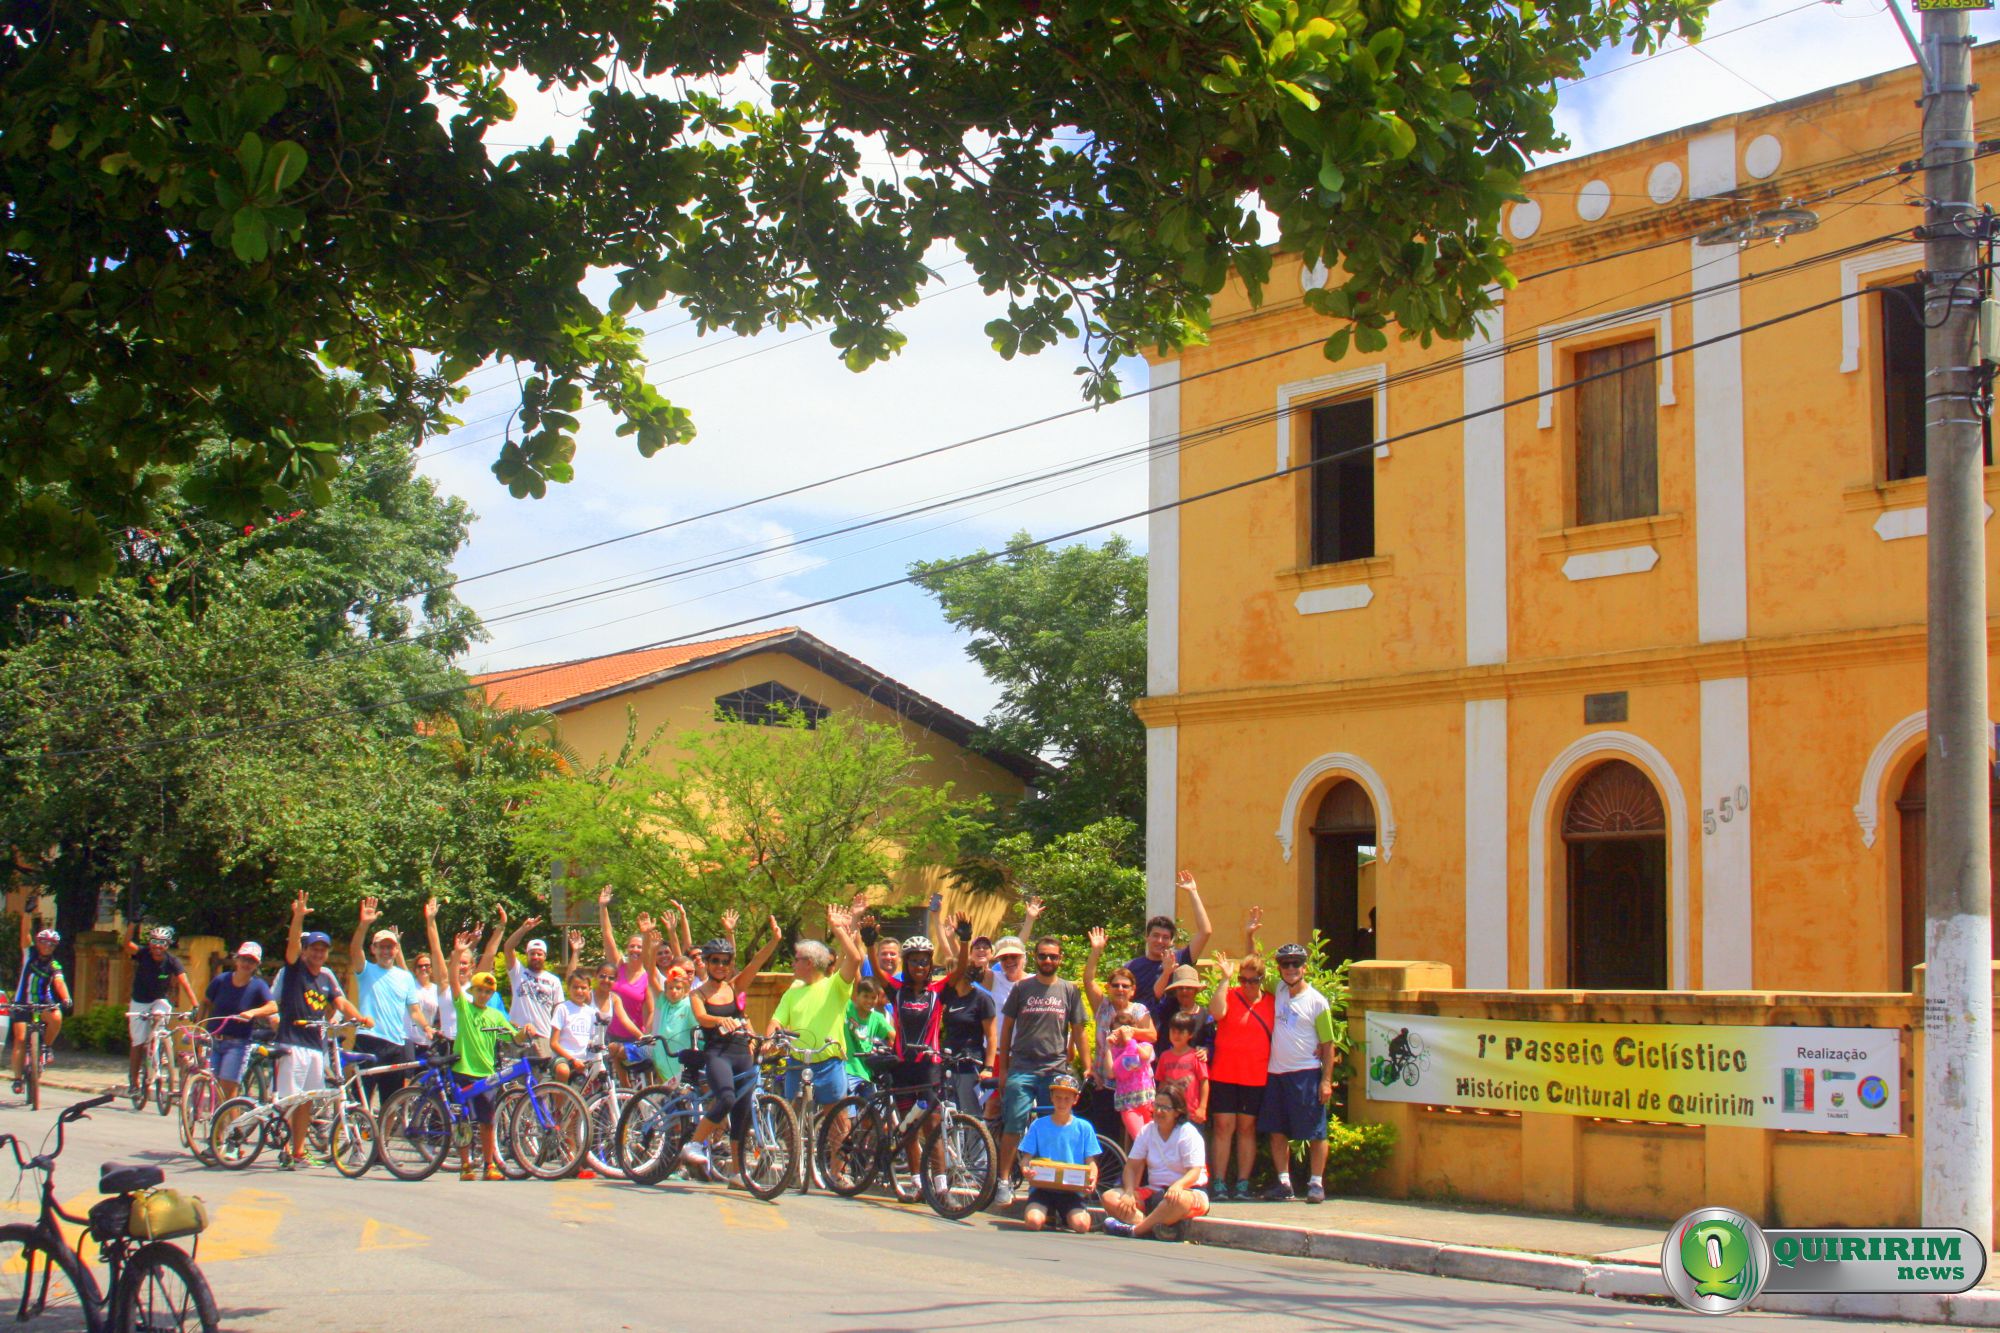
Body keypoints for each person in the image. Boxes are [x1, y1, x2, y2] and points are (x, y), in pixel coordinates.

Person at [254, 892, 374, 1170]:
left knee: (307, 1100)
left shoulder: (325, 977)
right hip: (292, 1043)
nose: (318, 953)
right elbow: (292, 947)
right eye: (314, 948)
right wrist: (297, 917)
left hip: (314, 1045)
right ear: (306, 950)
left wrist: (360, 1018)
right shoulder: (296, 970)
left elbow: (340, 1001)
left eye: (323, 949)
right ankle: (285, 1148)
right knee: (290, 1099)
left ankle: (298, 1150)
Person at [681, 914, 783, 1183]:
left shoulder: (735, 985)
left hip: (741, 1053)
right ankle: (694, 1144)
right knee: (725, 1098)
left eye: (726, 962)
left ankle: (738, 1172)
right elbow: (702, 1018)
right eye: (715, 961)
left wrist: (774, 940)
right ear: (707, 962)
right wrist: (719, 1019)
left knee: (742, 1110)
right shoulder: (698, 993)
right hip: (718, 1054)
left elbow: (757, 961)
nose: (721, 966)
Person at [422, 898, 518, 1181]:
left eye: (467, 964)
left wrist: (500, 927)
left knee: (485, 1115)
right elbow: (438, 952)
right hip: (452, 1047)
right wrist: (431, 922)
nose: (462, 967)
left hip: (480, 1049)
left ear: (473, 966)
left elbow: (490, 954)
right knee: (458, 1113)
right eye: (459, 963)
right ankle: (459, 1159)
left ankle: (487, 1163)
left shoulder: (477, 990)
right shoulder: (447, 985)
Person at [989, 934, 1087, 1208]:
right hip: (1022, 1067)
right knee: (1014, 1122)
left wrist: (1087, 1067)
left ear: (1060, 959)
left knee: (1053, 1125)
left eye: (1053, 956)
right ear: (1035, 957)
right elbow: (1006, 1028)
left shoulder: (1069, 990)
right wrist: (1005, 1068)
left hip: (1055, 1068)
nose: (1047, 960)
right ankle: (1004, 1181)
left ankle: (1048, 1185)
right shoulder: (1022, 988)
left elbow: (1078, 1032)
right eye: (1043, 955)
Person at [1259, 942, 1337, 1204]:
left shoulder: (1317, 1002)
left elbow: (1328, 1044)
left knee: (1315, 1131)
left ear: (1304, 968)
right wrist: (1250, 935)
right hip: (1277, 1072)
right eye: (1285, 964)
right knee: (1277, 1130)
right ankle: (1284, 1182)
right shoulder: (1278, 989)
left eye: (1295, 964)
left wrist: (1326, 1081)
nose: (1290, 968)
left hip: (1306, 1072)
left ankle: (1316, 1183)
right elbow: (1254, 967)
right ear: (1279, 969)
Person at [769, 905, 864, 1107]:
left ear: (809, 962)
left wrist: (838, 930)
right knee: (791, 1117)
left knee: (836, 1118)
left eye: (796, 960)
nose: (792, 964)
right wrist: (770, 1040)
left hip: (829, 1064)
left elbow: (855, 958)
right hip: (797, 1063)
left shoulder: (835, 985)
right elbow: (777, 1020)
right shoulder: (793, 991)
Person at [1206, 948, 1273, 1200]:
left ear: (1261, 980)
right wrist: (1225, 979)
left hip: (1254, 1075)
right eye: (1243, 979)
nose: (1247, 984)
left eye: (1253, 980)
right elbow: (1216, 1012)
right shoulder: (1231, 995)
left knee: (1247, 1128)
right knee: (1224, 1127)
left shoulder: (1270, 1002)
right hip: (1224, 1073)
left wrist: (1251, 938)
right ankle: (1220, 1182)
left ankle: (1243, 1183)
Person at [1102, 1083, 1210, 1238]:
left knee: (1178, 1201)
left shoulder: (1188, 1133)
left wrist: (1178, 1186)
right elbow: (1131, 1167)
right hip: (1154, 1192)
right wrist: (1130, 1192)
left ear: (1177, 1112)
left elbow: (1195, 1171)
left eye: (1165, 1108)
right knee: (1110, 1197)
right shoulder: (1147, 1131)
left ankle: (1135, 1231)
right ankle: (1153, 1228)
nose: (1158, 1111)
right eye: (1156, 1106)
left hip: (1188, 1191)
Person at [1082, 927, 1156, 1139]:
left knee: (1137, 1134)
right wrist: (1096, 951)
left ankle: (1136, 1173)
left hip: (1133, 1083)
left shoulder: (1139, 1010)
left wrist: (1130, 1032)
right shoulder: (1102, 1007)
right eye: (1116, 985)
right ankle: (1108, 1172)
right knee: (1106, 1134)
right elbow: (1088, 980)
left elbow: (1152, 1036)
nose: (1120, 989)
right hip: (1105, 1081)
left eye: (1125, 986)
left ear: (1133, 989)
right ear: (1109, 987)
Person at [348, 897, 421, 1100]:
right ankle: (361, 1131)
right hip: (368, 1040)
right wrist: (363, 925)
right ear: (374, 949)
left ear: (397, 950)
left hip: (395, 1044)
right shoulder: (366, 970)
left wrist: (428, 1028)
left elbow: (414, 1010)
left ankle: (382, 1133)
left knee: (392, 1101)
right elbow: (354, 951)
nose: (386, 951)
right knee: (361, 1097)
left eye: (390, 947)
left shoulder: (406, 977)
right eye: (382, 947)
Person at [1127, 870, 1213, 1028]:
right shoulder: (1131, 967)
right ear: (1147, 937)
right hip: (1142, 1038)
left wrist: (1193, 892)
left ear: (1172, 941)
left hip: (1174, 1036)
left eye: (1165, 937)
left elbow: (1205, 931)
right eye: (1155, 935)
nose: (1160, 941)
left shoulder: (1179, 960)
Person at [1016, 1071, 1099, 1234]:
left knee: (1081, 1226)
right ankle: (1046, 1213)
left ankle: (1067, 1214)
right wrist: (1026, 1169)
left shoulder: (1084, 1127)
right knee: (1033, 1222)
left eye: (1067, 1098)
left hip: (1071, 1189)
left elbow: (1091, 1161)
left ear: (1075, 1100)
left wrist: (1092, 1178)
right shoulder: (1038, 1125)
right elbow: (1026, 1158)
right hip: (1043, 1188)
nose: (1062, 1103)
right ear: (1052, 1098)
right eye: (1058, 1097)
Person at [124, 922, 198, 1097]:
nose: (158, 946)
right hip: (140, 1001)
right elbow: (127, 945)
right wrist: (133, 924)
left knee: (160, 1015)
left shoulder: (172, 961)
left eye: (162, 942)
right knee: (138, 1041)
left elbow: (184, 983)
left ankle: (161, 1044)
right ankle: (134, 1082)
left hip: (159, 1000)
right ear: (149, 943)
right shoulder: (143, 955)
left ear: (168, 945)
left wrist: (195, 1005)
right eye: (154, 941)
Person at [198, 941, 272, 1099]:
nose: (246, 964)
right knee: (214, 1088)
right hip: (214, 1040)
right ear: (236, 959)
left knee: (228, 1093)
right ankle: (217, 1123)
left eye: (251, 961)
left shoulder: (258, 986)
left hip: (237, 1044)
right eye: (244, 959)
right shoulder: (221, 980)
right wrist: (199, 1028)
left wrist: (252, 1013)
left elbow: (272, 1007)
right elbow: (205, 1002)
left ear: (257, 964)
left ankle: (231, 1124)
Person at [937, 912, 996, 1111]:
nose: (949, 974)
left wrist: (988, 1067)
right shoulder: (949, 996)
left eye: (953, 969)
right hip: (948, 1063)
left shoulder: (982, 998)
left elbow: (991, 1035)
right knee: (949, 1115)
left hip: (971, 1063)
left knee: (971, 1116)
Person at [11, 902, 69, 1093]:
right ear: (38, 943)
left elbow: (59, 982)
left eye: (52, 944)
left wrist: (66, 998)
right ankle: (18, 1078)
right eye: (44, 942)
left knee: (57, 1017)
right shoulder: (30, 955)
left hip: (44, 1002)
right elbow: (24, 936)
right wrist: (27, 914)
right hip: (22, 1002)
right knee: (20, 1038)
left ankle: (46, 1047)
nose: (47, 946)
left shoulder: (54, 964)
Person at [596, 887, 655, 1069]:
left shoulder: (648, 977)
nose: (635, 950)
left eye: (639, 947)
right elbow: (607, 936)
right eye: (632, 946)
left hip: (634, 1035)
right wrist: (603, 908)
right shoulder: (618, 966)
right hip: (609, 1034)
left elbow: (652, 1011)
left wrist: (647, 1035)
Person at [501, 911, 562, 1065]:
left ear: (545, 956)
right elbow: (508, 948)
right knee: (514, 1081)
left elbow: (559, 1011)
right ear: (527, 955)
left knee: (540, 1082)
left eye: (539, 954)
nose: (535, 957)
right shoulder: (518, 973)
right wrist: (524, 929)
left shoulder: (554, 981)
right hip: (517, 1035)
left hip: (542, 1036)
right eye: (532, 954)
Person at [1156, 1010, 1210, 1128]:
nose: (1176, 1035)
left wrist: (1202, 1108)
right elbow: (1162, 1083)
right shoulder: (1164, 1056)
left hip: (1191, 1113)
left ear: (1190, 1034)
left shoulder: (1197, 1056)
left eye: (1181, 1032)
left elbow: (1204, 1082)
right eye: (1173, 1031)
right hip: (1169, 1111)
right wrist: (1158, 1105)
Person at [843, 977, 893, 1097]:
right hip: (847, 1068)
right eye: (866, 996)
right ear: (857, 995)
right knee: (848, 1111)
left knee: (872, 1112)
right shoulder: (848, 1008)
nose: (869, 1001)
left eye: (873, 997)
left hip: (867, 1072)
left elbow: (893, 1037)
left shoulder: (877, 1018)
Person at [1106, 1023, 1156, 1142]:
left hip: (1147, 1101)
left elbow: (1144, 1056)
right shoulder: (1115, 1051)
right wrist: (1108, 1048)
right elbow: (1110, 1073)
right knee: (1140, 1140)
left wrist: (1130, 1040)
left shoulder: (1144, 1045)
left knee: (1155, 1140)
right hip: (1128, 1104)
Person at [550, 969, 599, 1083]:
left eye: (583, 988)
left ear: (589, 990)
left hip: (584, 1060)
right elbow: (553, 1043)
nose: (579, 991)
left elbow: (591, 1040)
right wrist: (572, 1060)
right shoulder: (562, 1008)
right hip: (564, 1058)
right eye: (575, 987)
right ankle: (559, 1101)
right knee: (563, 1071)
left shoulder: (591, 1012)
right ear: (568, 988)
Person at [986, 936, 1030, 1012]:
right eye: (1004, 957)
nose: (1009, 961)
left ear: (1024, 957)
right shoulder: (994, 979)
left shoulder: (1034, 981)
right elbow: (964, 968)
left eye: (1014, 956)